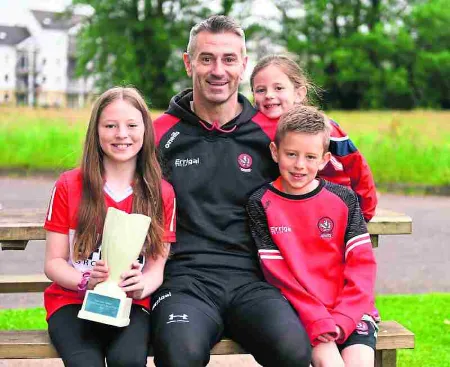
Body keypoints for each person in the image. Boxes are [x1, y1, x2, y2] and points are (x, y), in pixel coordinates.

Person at [151, 15, 311, 367]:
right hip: (183, 280)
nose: (217, 70)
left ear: (243, 64)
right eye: (206, 58)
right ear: (188, 62)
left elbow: (323, 187)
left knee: (294, 352)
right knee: (180, 355)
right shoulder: (157, 133)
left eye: (228, 59)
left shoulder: (273, 134)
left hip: (254, 280)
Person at [43, 87, 176, 367]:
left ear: (145, 131)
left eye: (131, 125)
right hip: (71, 301)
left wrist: (142, 285)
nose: (121, 134)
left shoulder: (161, 193)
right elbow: (54, 262)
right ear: (96, 131)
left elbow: (156, 269)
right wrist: (84, 281)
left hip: (131, 304)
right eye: (110, 126)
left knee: (127, 361)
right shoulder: (69, 185)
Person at [247, 105, 378, 367]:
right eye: (291, 154)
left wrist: (343, 317)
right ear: (275, 152)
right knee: (328, 362)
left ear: (324, 159)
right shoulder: (261, 203)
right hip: (303, 313)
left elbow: (362, 266)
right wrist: (318, 318)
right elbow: (278, 275)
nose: (299, 165)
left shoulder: (344, 199)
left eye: (310, 157)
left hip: (351, 310)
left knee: (361, 362)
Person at [250, 54, 378, 222]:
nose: (269, 95)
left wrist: (364, 211)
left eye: (279, 88)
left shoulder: (323, 128)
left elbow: (357, 166)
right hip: (287, 210)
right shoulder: (251, 129)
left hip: (334, 207)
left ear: (299, 93)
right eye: (261, 90)